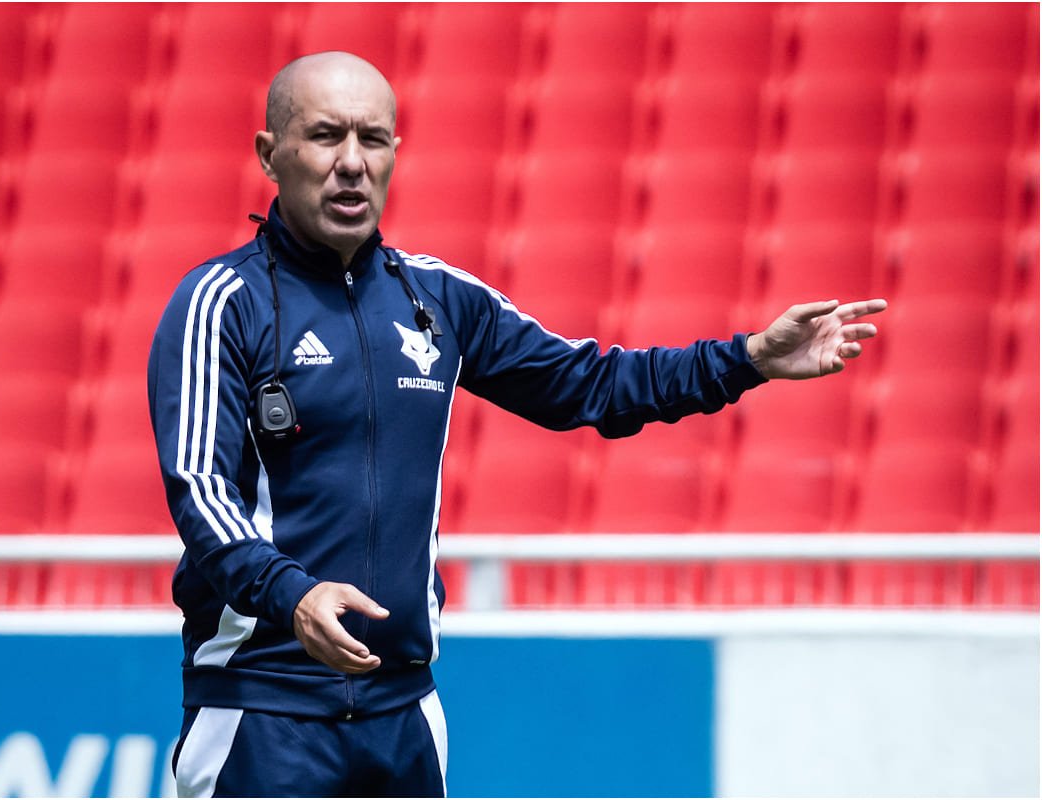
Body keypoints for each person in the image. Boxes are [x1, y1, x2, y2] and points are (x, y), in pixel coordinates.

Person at [147, 51, 886, 797]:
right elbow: (199, 491)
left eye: (372, 140)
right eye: (325, 136)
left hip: (403, 716)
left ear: (396, 155)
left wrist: (748, 358)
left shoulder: (437, 298)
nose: (351, 163)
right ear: (270, 155)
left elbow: (589, 385)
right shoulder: (219, 304)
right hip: (262, 711)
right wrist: (293, 595)